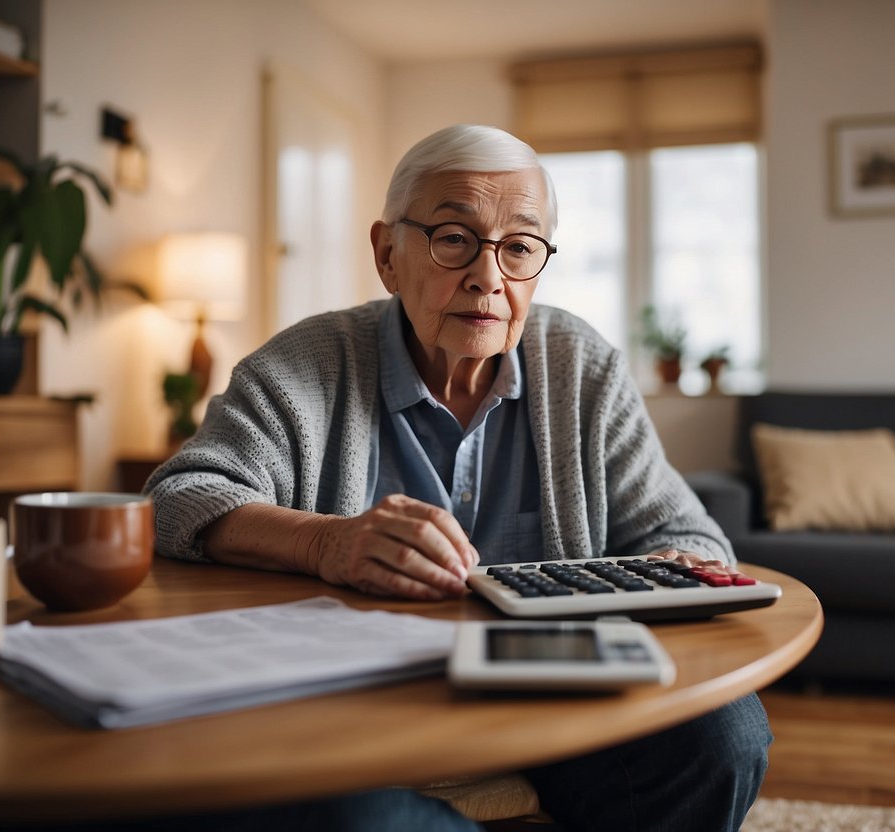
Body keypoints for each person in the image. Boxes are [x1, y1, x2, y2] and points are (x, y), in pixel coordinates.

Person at [146, 123, 772, 832]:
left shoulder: (579, 366)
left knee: (726, 738)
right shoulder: (304, 365)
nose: (488, 277)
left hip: (555, 695)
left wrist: (662, 575)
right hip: (361, 706)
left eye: (519, 248)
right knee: (362, 818)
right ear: (387, 254)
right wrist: (327, 543)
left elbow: (685, 533)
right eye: (452, 238)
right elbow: (176, 496)